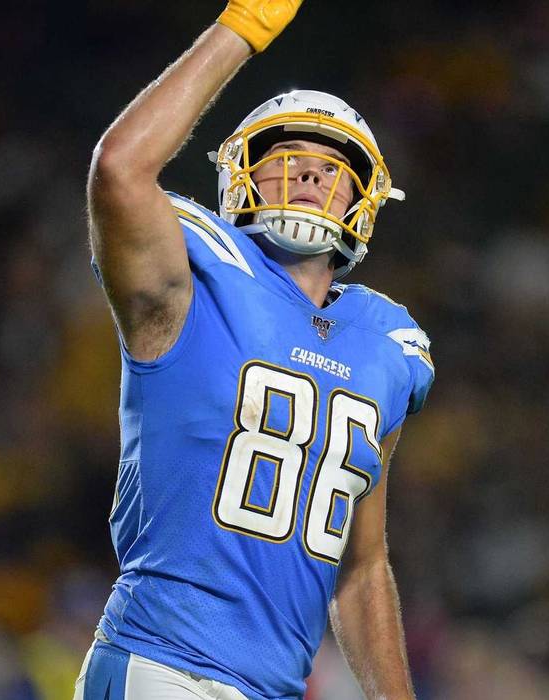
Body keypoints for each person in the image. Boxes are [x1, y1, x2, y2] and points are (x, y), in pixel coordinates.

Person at [80, 1, 433, 699]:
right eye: (284, 160)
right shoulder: (195, 277)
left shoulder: (389, 344)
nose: (307, 175)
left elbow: (360, 568)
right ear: (238, 176)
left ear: (362, 199)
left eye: (331, 167)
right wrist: (240, 28)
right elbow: (119, 169)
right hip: (161, 662)